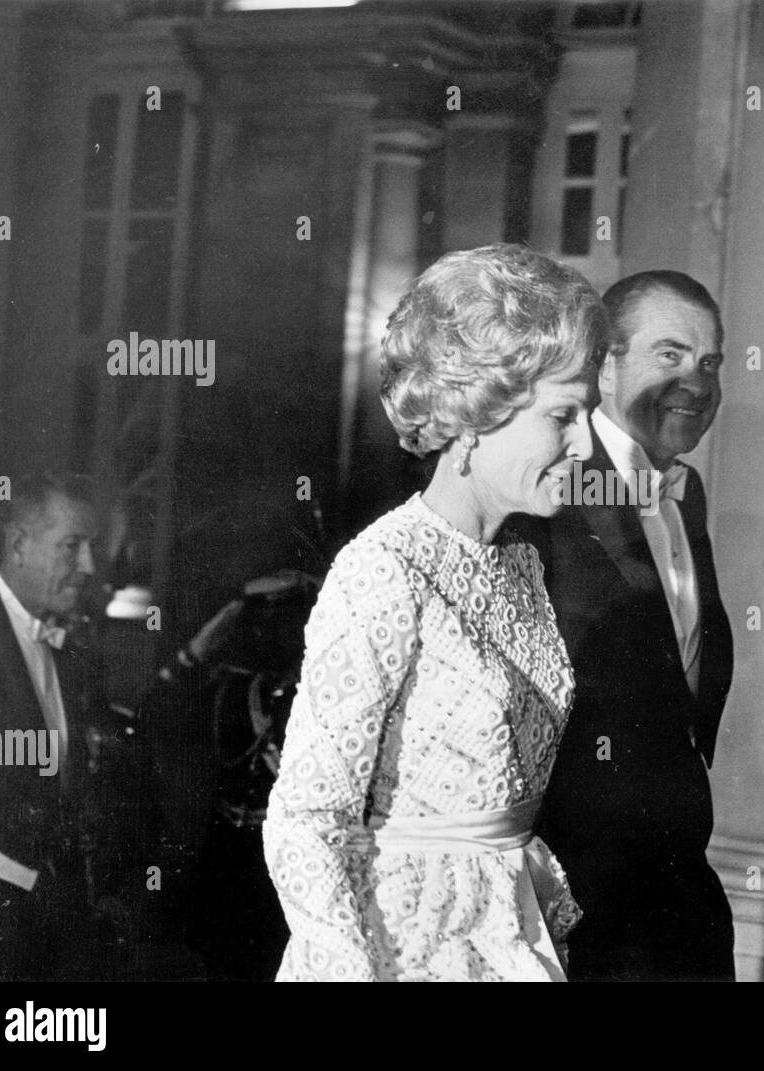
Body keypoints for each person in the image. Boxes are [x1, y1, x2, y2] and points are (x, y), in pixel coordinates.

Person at [262, 244, 608, 981]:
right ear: (476, 409)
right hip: (397, 949)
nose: (584, 444)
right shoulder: (384, 571)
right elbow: (304, 821)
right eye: (564, 414)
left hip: (504, 936)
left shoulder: (523, 561)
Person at [511, 270, 736, 981]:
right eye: (669, 355)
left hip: (676, 874)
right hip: (575, 887)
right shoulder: (546, 481)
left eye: (711, 362)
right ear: (605, 366)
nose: (696, 382)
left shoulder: (684, 492)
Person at [0, 473, 130, 980]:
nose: (88, 567)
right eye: (72, 546)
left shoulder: (70, 649)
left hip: (53, 934)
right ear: (18, 545)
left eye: (90, 548)